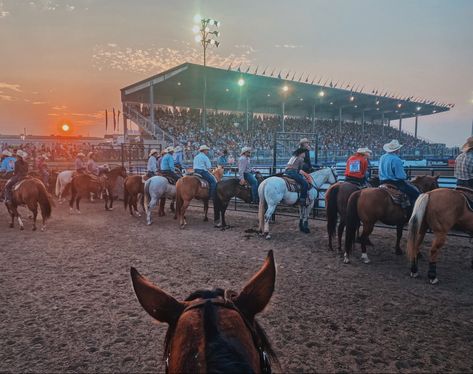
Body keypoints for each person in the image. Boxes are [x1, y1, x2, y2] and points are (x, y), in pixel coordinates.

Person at [379, 139, 419, 205]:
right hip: (395, 183)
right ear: (397, 150)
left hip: (382, 182)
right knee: (416, 194)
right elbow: (400, 176)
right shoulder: (396, 159)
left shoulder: (382, 157)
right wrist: (405, 176)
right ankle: (411, 212)